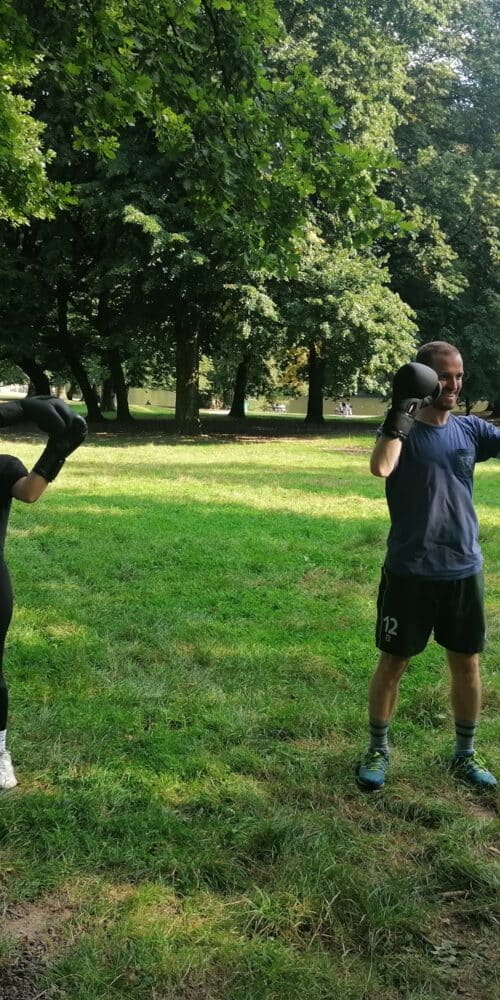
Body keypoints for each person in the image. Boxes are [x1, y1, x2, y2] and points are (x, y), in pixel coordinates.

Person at [357, 341, 500, 791]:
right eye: (444, 377)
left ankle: (465, 753)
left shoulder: (470, 430)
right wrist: (401, 412)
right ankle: (378, 749)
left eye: (459, 376)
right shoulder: (401, 432)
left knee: (467, 663)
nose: (453, 385)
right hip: (410, 569)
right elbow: (381, 467)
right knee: (393, 662)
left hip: (462, 567)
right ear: (423, 379)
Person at [0, 395, 87, 790]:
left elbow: (29, 491)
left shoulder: (3, 466)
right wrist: (16, 411)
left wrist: (57, 452)